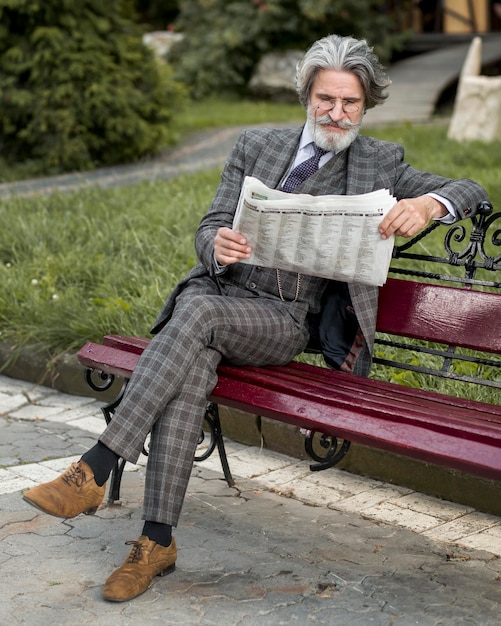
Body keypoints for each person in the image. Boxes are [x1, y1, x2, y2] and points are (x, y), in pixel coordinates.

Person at [22, 34, 490, 602]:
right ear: (306, 96)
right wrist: (216, 245)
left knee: (193, 314)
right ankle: (155, 541)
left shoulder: (379, 161)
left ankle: (97, 464)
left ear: (366, 107)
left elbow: (471, 186)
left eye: (350, 104)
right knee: (191, 366)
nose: (336, 114)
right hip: (224, 301)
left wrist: (426, 206)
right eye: (325, 99)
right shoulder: (257, 145)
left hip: (283, 321)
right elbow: (209, 224)